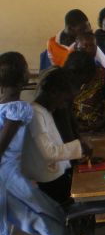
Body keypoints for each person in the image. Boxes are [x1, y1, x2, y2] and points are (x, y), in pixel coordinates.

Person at [0, 52, 89, 235]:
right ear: (24, 77)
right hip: (11, 182)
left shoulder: (10, 108)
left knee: (56, 225)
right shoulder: (18, 110)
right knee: (53, 228)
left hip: (13, 179)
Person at [22, 68, 91, 206]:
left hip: (55, 174)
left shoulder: (44, 111)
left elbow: (56, 143)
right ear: (53, 93)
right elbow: (49, 152)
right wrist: (79, 147)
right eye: (65, 101)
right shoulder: (36, 114)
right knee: (64, 208)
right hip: (47, 180)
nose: (63, 106)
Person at [65, 51, 105, 133]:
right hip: (72, 132)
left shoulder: (102, 75)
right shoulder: (64, 82)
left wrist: (104, 121)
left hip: (101, 130)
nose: (84, 81)